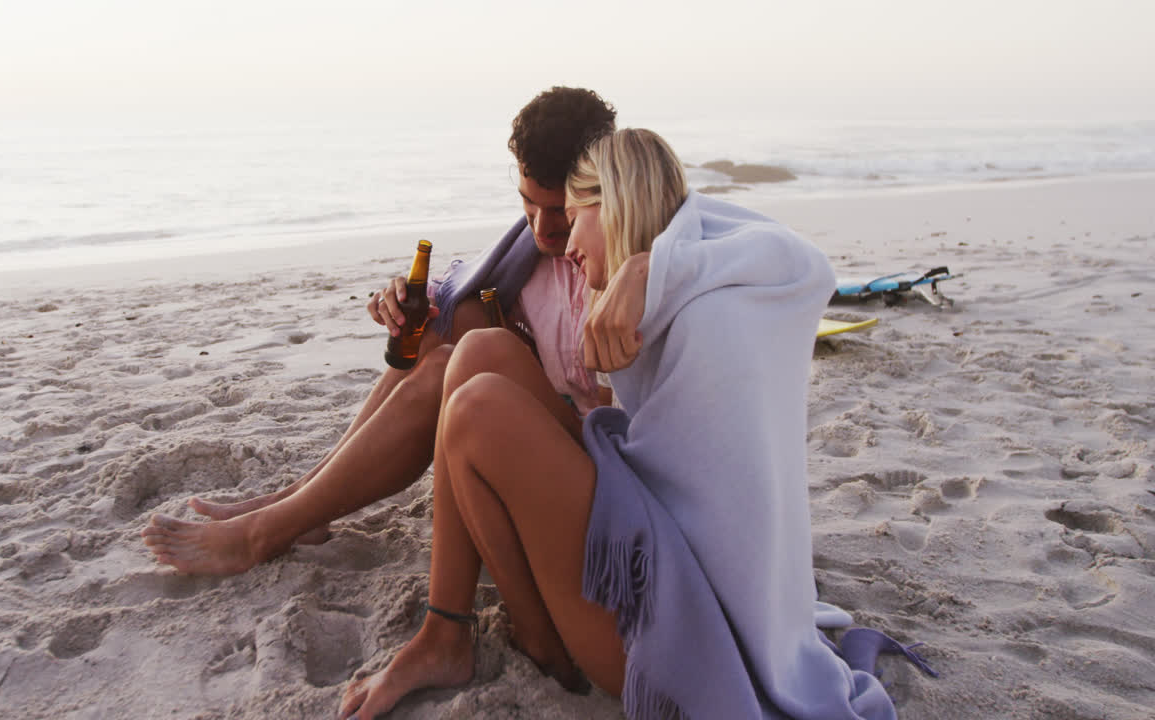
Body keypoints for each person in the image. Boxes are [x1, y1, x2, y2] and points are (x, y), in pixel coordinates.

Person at [338, 129, 927, 719]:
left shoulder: (710, 310)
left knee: (477, 410)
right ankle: (460, 635)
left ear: (612, 205)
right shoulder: (688, 288)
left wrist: (651, 266)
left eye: (573, 217)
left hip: (678, 634)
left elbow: (809, 263)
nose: (565, 245)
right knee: (477, 354)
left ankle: (509, 645)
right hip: (660, 551)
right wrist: (651, 268)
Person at [140, 87, 628, 575]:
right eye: (527, 204)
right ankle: (301, 503)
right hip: (562, 430)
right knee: (446, 324)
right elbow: (464, 285)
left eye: (559, 210)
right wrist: (400, 298)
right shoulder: (529, 254)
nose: (540, 229)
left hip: (603, 469)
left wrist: (647, 268)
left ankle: (266, 531)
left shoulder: (627, 253)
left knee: (445, 369)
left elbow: (703, 236)